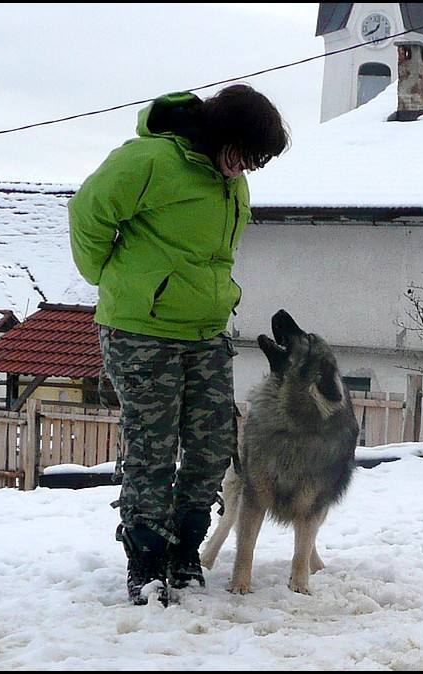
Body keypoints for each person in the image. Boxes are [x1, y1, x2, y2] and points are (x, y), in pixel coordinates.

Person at [68, 83, 290, 606]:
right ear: (220, 134)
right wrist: (111, 279)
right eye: (241, 155)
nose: (242, 170)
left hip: (205, 332)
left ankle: (184, 551)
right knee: (152, 447)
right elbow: (87, 213)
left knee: (213, 444)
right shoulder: (148, 160)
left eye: (252, 164)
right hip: (141, 330)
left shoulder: (229, 181)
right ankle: (145, 560)